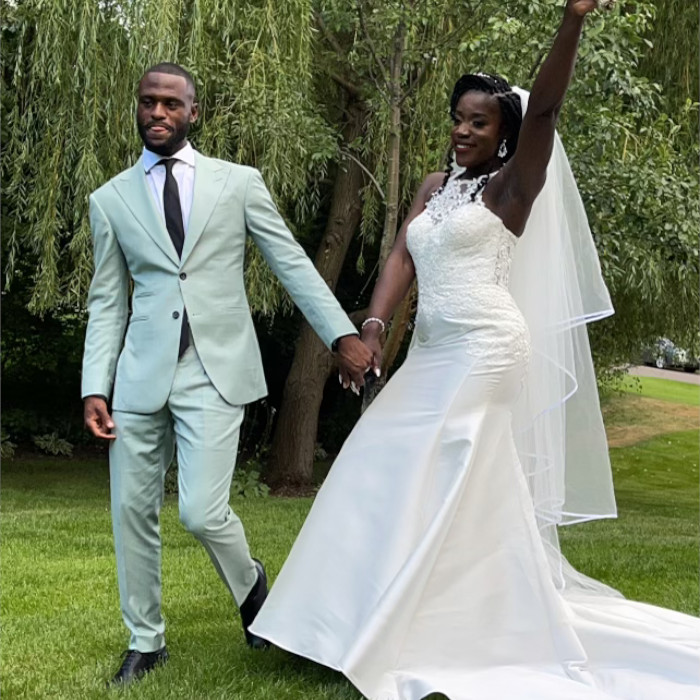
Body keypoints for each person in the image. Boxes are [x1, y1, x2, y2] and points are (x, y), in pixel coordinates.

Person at [250, 2, 700, 699]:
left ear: (505, 134)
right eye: (458, 118)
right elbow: (403, 252)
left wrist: (573, 23)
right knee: (380, 461)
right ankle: (339, 621)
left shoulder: (512, 187)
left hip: (486, 348)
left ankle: (419, 631)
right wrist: (372, 328)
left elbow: (545, 112)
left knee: (443, 472)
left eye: (478, 121)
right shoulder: (437, 188)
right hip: (432, 350)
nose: (462, 130)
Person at [81, 62, 373, 686]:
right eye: (147, 103)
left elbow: (291, 263)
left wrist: (341, 335)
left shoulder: (237, 184)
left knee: (201, 512)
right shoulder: (109, 200)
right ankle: (145, 639)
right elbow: (108, 300)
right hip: (137, 377)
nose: (157, 113)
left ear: (193, 112)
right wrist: (94, 386)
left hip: (214, 372)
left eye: (170, 104)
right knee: (130, 509)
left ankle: (251, 586)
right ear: (137, 109)